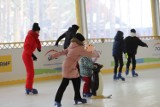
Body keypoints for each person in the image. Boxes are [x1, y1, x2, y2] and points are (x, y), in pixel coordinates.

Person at [48, 33, 99, 107]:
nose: (83, 42)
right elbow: (89, 54)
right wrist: (96, 53)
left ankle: (77, 98)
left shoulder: (72, 45)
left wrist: (53, 56)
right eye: (83, 41)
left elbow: (63, 52)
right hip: (70, 67)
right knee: (64, 84)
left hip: (68, 65)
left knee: (77, 81)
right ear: (80, 41)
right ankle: (57, 101)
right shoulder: (80, 48)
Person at [22, 23, 41, 95]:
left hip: (28, 55)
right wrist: (33, 55)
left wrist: (39, 47)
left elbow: (37, 41)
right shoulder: (29, 36)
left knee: (31, 72)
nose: (39, 33)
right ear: (34, 30)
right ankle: (28, 88)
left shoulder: (34, 36)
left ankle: (28, 87)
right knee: (31, 72)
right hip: (26, 55)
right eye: (38, 31)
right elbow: (26, 47)